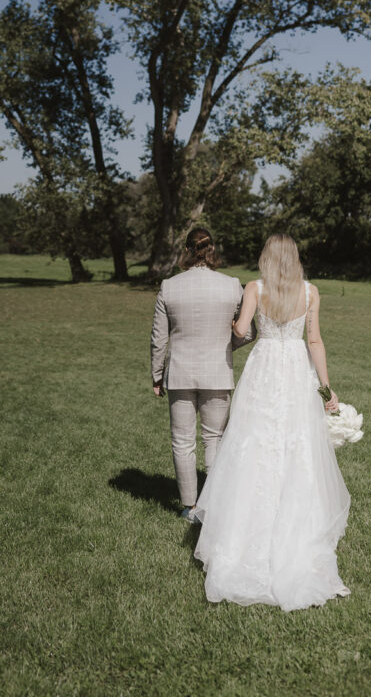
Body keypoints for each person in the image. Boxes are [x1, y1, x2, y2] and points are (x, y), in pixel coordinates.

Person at [193, 233, 350, 611]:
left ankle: (245, 530)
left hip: (263, 369)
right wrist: (326, 387)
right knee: (296, 444)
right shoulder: (310, 292)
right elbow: (315, 341)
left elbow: (242, 330)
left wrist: (234, 321)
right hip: (296, 370)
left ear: (266, 257)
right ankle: (297, 527)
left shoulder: (255, 288)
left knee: (253, 442)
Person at [150, 227, 253, 522]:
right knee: (214, 439)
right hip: (218, 371)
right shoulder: (232, 285)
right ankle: (214, 504)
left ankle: (189, 506)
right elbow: (248, 332)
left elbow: (159, 337)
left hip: (179, 373)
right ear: (212, 250)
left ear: (186, 250)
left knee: (182, 441)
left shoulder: (169, 286)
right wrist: (227, 346)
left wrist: (157, 374)